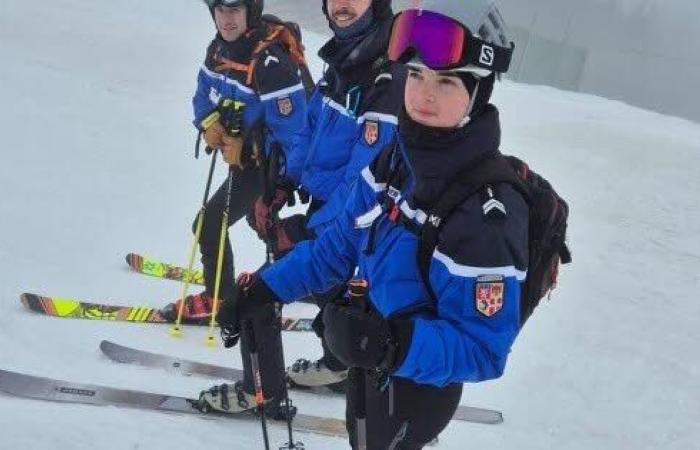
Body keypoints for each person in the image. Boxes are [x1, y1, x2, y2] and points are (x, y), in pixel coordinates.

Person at [212, 0, 527, 447]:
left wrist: (392, 344)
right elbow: (336, 248)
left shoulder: (487, 211)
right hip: (370, 360)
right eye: (415, 75)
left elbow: (483, 348)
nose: (423, 95)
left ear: (480, 93)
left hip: (418, 388)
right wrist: (265, 290)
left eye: (446, 81)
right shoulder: (394, 161)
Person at [161, 0, 309, 323]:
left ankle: (219, 299)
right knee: (263, 223)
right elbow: (203, 95)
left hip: (271, 165)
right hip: (246, 161)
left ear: (250, 11)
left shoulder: (270, 63)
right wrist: (209, 122)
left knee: (209, 223)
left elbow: (295, 133)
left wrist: (249, 147)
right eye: (220, 10)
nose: (227, 19)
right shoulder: (218, 51)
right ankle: (307, 274)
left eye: (235, 10)